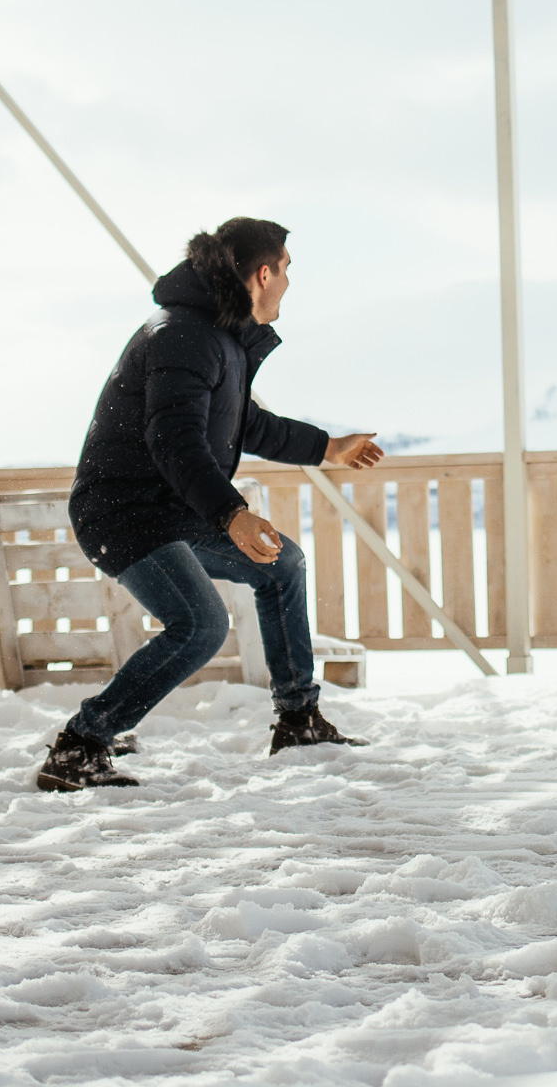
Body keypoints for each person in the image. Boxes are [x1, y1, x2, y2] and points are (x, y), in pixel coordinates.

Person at [39, 217, 386, 791]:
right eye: (287, 272)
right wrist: (232, 513)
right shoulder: (182, 334)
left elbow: (242, 423)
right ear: (263, 272)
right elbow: (174, 441)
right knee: (200, 625)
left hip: (169, 508)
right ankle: (82, 744)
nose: (289, 287)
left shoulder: (216, 337)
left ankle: (297, 717)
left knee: (281, 566)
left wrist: (328, 447)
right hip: (124, 511)